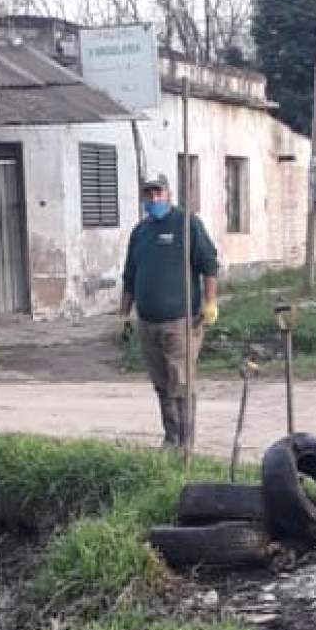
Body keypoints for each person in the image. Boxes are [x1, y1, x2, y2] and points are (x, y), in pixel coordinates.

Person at [120, 172, 219, 449]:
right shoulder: (140, 232)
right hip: (147, 322)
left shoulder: (187, 224)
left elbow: (209, 264)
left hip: (180, 321)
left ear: (168, 194)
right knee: (161, 383)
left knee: (181, 382)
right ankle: (171, 438)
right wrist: (123, 314)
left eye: (158, 193)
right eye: (148, 194)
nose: (153, 199)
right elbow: (129, 275)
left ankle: (186, 443)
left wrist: (210, 303)